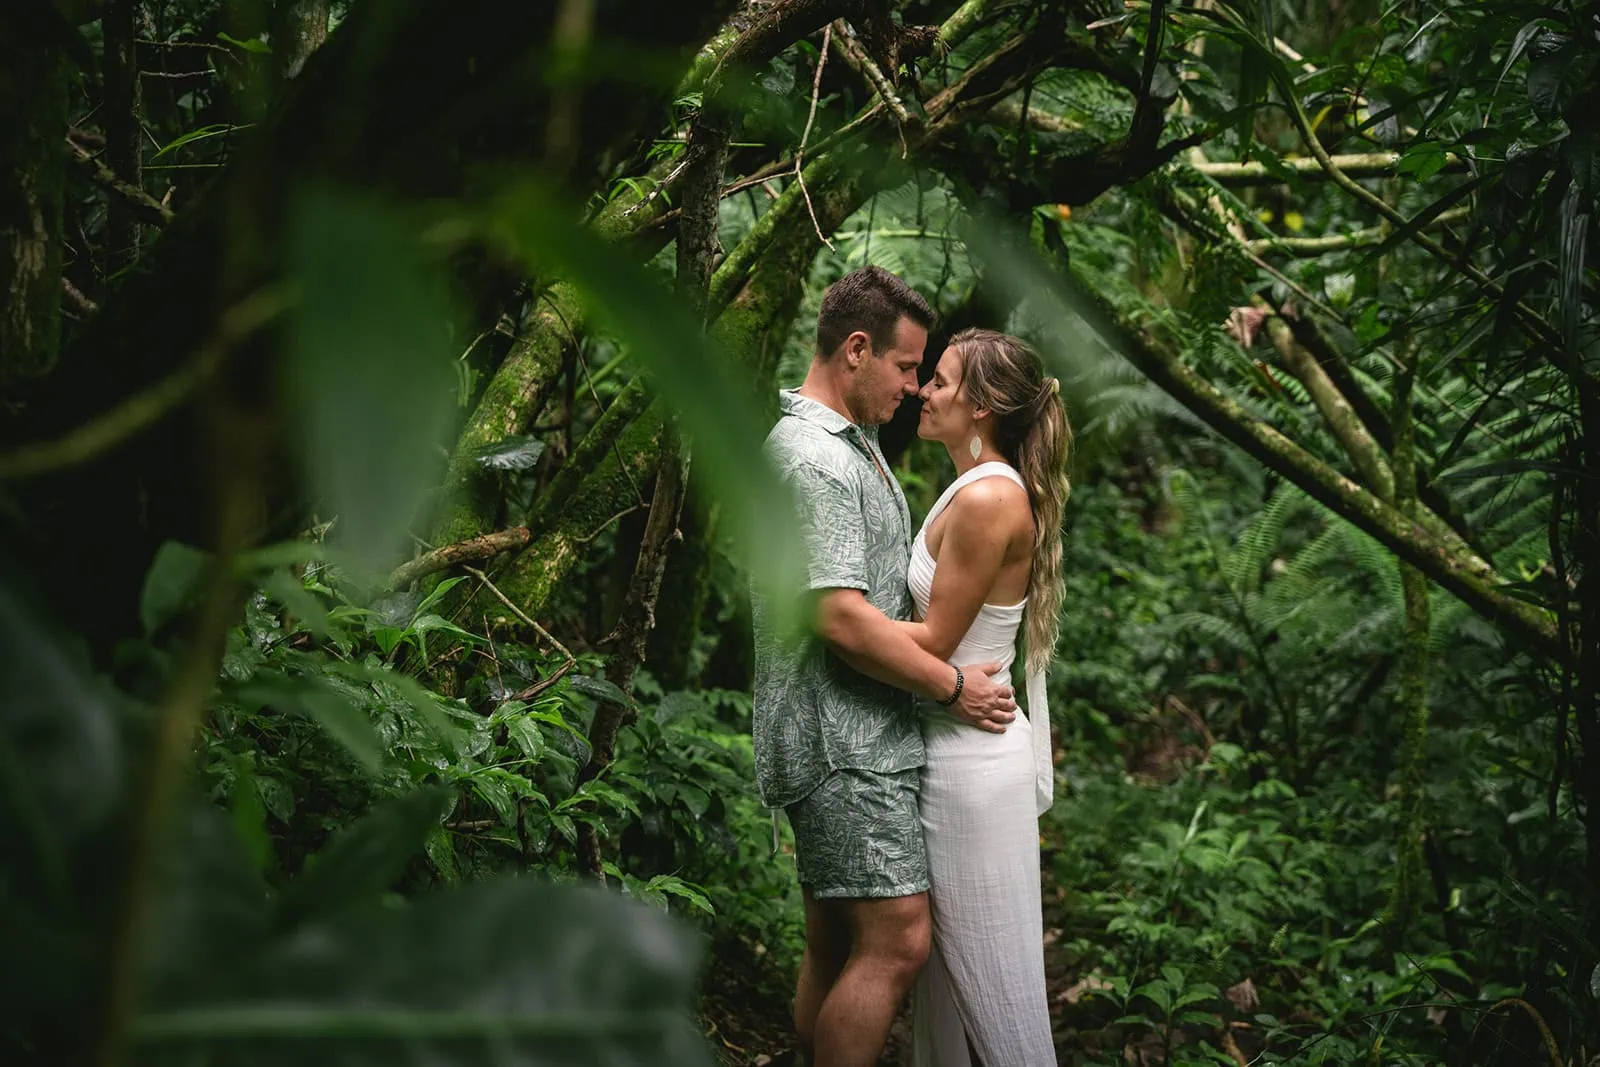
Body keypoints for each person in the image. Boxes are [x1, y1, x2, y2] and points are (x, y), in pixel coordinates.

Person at [752, 267, 1019, 1067]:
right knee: (900, 940)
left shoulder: (847, 443)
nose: (914, 386)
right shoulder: (813, 459)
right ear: (857, 349)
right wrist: (951, 684)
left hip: (850, 730)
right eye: (908, 368)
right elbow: (836, 617)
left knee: (836, 940)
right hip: (843, 740)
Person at [900, 328, 1071, 1065]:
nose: (922, 390)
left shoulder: (989, 499)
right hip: (950, 741)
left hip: (971, 767)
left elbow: (934, 642)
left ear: (982, 406)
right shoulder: (970, 484)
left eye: (938, 380)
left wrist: (830, 620)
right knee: (941, 985)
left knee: (996, 993)